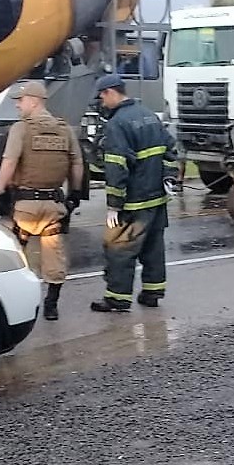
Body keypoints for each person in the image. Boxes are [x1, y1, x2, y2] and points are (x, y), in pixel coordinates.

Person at [0, 81, 84, 321]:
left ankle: (16, 306)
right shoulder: (65, 129)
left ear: (34, 101)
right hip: (54, 206)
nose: (18, 106)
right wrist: (73, 193)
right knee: (54, 256)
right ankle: (51, 305)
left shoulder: (21, 129)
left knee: (12, 253)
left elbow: (10, 161)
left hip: (24, 208)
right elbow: (77, 164)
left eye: (20, 101)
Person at [91, 73, 177, 312]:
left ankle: (117, 298)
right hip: (157, 200)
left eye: (102, 98)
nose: (102, 103)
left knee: (119, 248)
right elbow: (171, 150)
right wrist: (168, 177)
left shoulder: (118, 123)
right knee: (153, 249)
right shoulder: (149, 115)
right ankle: (152, 293)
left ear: (110, 92)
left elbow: (116, 166)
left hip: (133, 203)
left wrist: (113, 205)